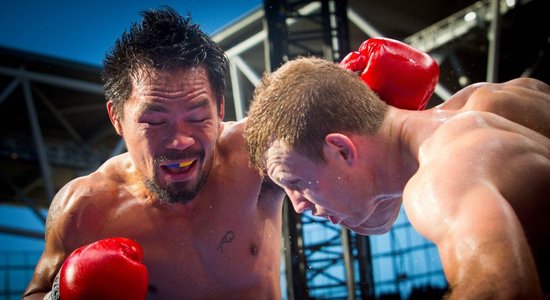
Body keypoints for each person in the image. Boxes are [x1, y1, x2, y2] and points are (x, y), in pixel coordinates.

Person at [23, 7, 285, 299]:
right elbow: (35, 293)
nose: (180, 141)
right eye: (155, 122)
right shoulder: (85, 211)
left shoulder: (254, 152)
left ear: (220, 109)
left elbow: (322, 110)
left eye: (198, 117)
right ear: (117, 118)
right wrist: (60, 295)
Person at [245, 56, 550, 298]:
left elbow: (504, 291)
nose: (298, 206)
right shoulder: (497, 99)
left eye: (295, 183)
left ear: (341, 150)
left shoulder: (441, 175)